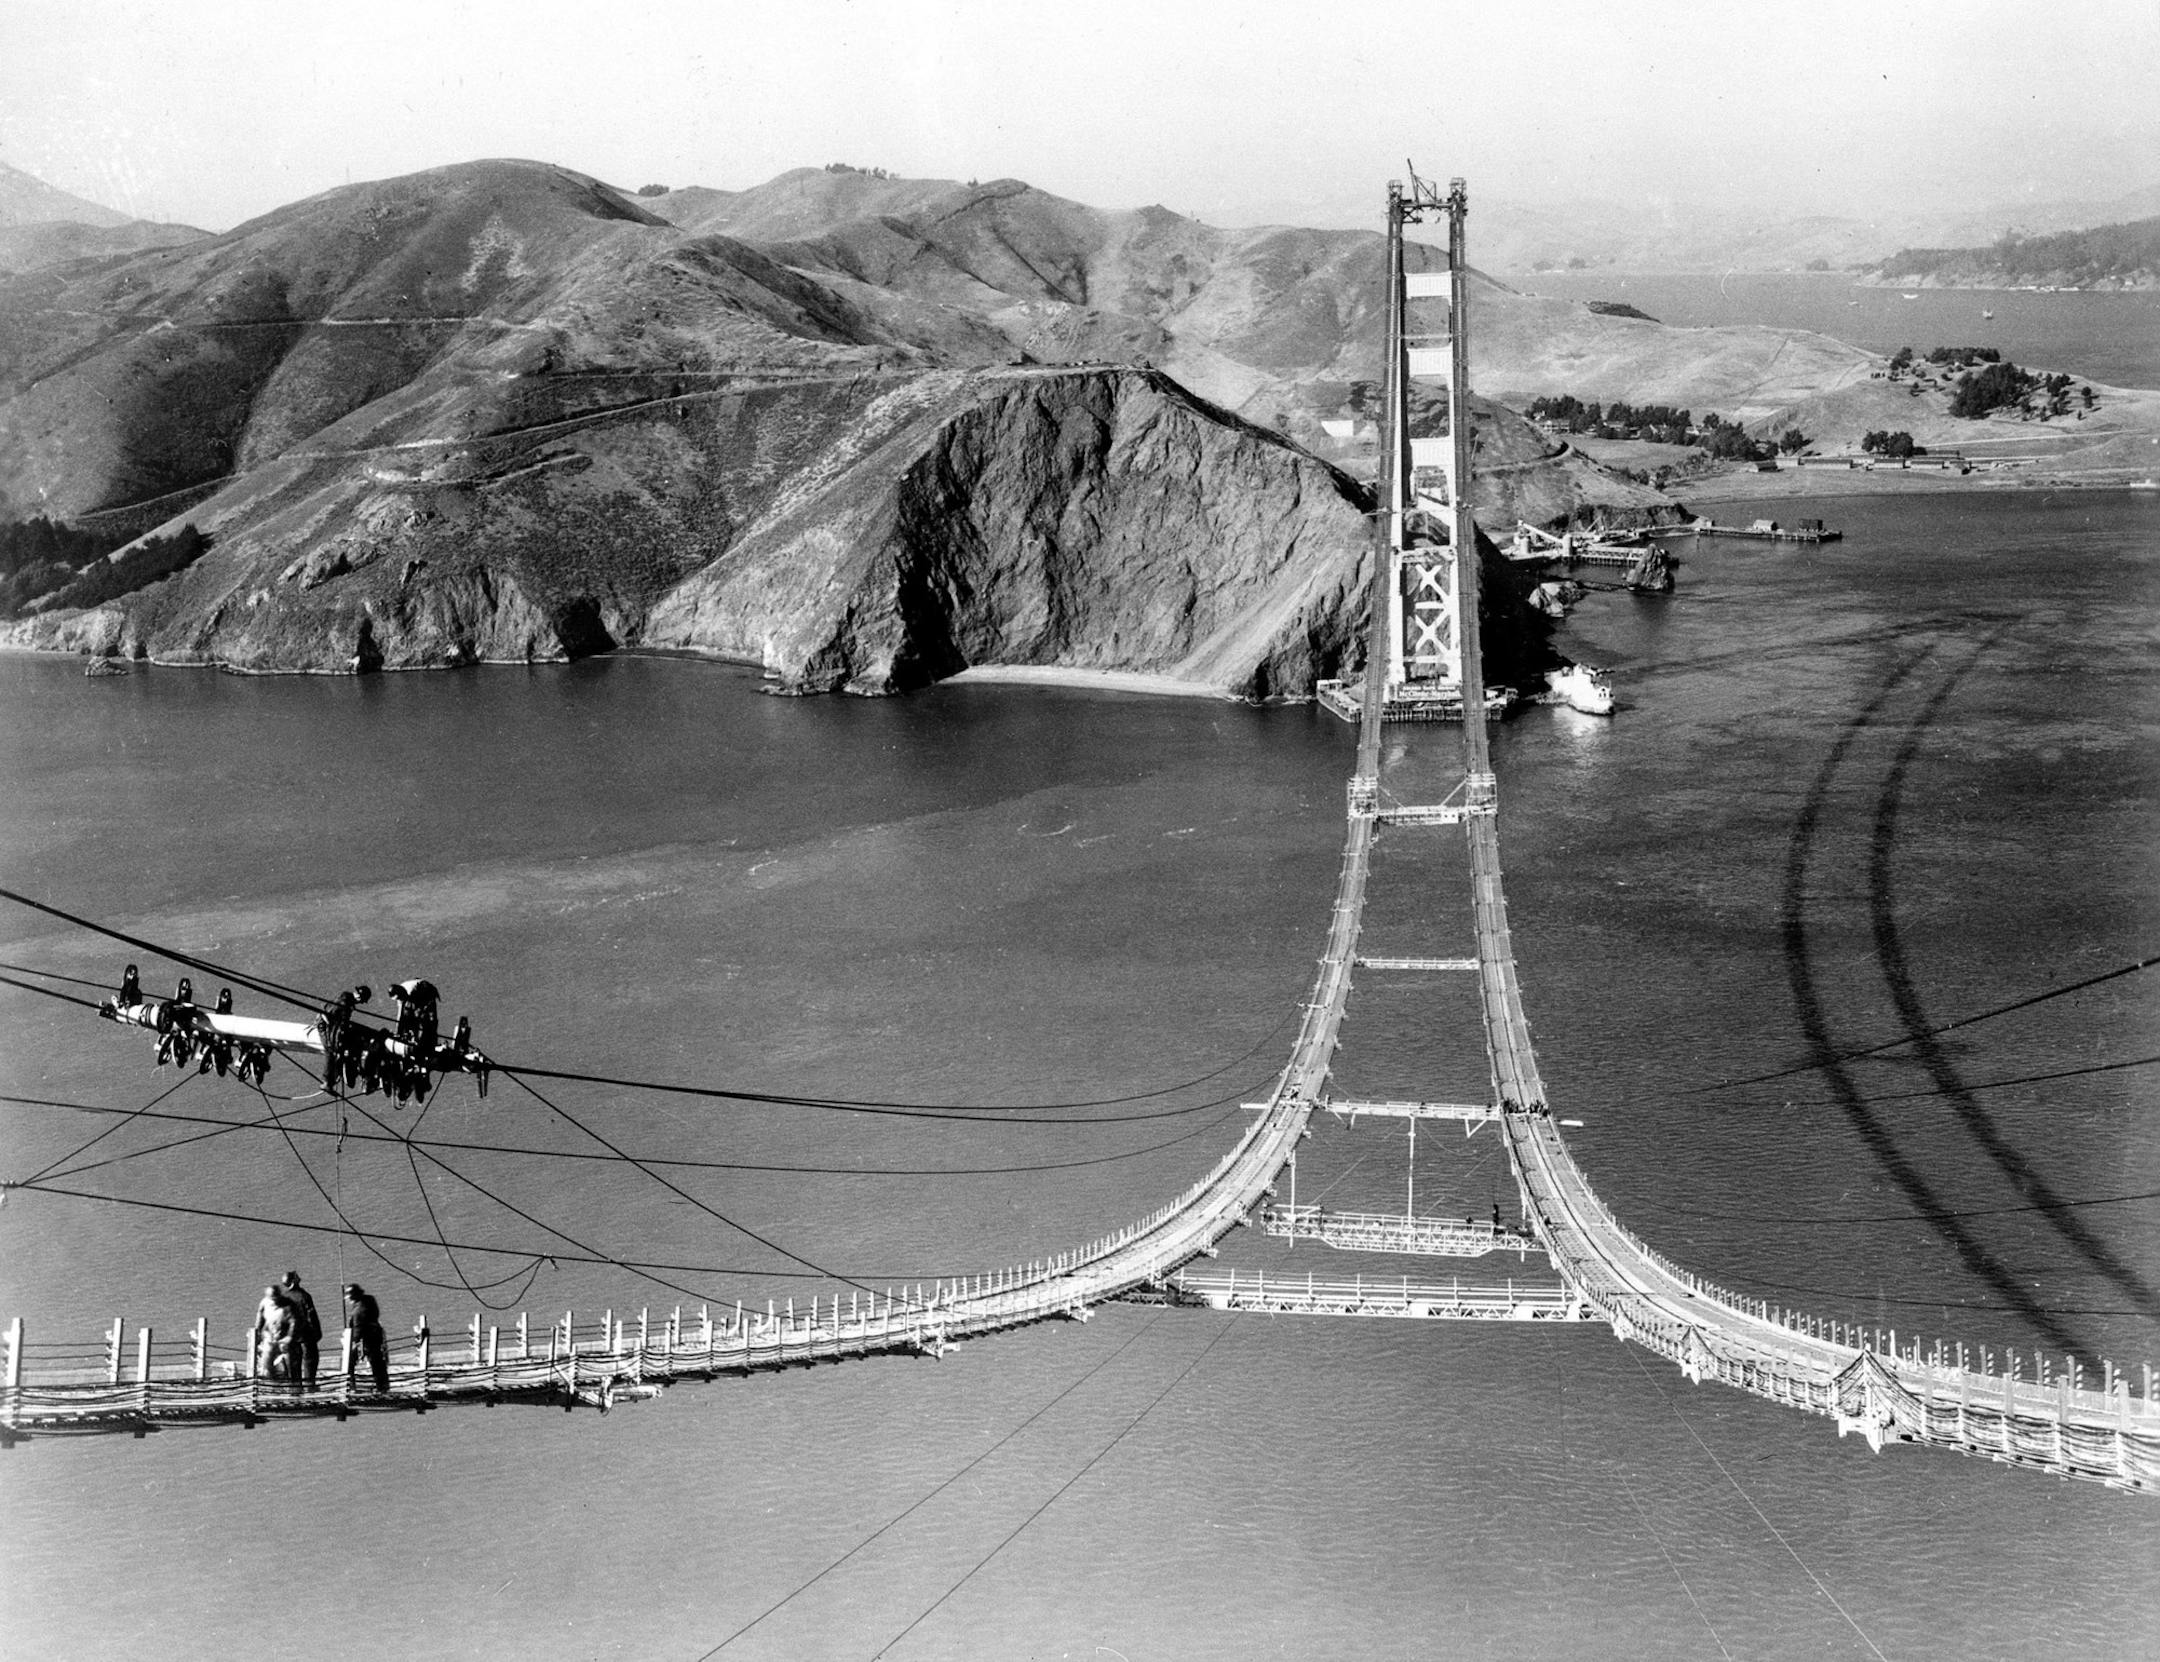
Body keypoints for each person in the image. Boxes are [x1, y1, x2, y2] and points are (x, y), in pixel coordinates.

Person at [344, 1283, 390, 1393]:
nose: (347, 1299)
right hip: (376, 1335)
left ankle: (352, 1385)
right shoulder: (370, 1300)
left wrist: (350, 1341)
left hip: (366, 1340)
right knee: (378, 1362)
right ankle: (383, 1385)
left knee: (350, 1361)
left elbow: (358, 1331)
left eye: (348, 1297)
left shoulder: (358, 1311)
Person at [279, 1271, 322, 1387]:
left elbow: (281, 1320)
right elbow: (312, 1317)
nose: (299, 1277)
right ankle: (309, 1387)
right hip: (306, 1336)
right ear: (293, 1281)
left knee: (293, 1365)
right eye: (296, 1276)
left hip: (290, 1337)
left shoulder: (283, 1298)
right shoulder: (304, 1296)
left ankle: (295, 1391)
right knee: (310, 1362)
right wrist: (317, 1333)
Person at [255, 1285, 297, 1381]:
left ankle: (290, 1383)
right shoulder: (264, 1303)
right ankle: (268, 1381)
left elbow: (293, 1322)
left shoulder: (287, 1304)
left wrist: (289, 1337)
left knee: (288, 1362)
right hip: (268, 1336)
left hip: (283, 1337)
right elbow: (259, 1318)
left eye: (276, 1298)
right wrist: (257, 1332)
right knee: (266, 1361)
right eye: (272, 1299)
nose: (274, 1301)